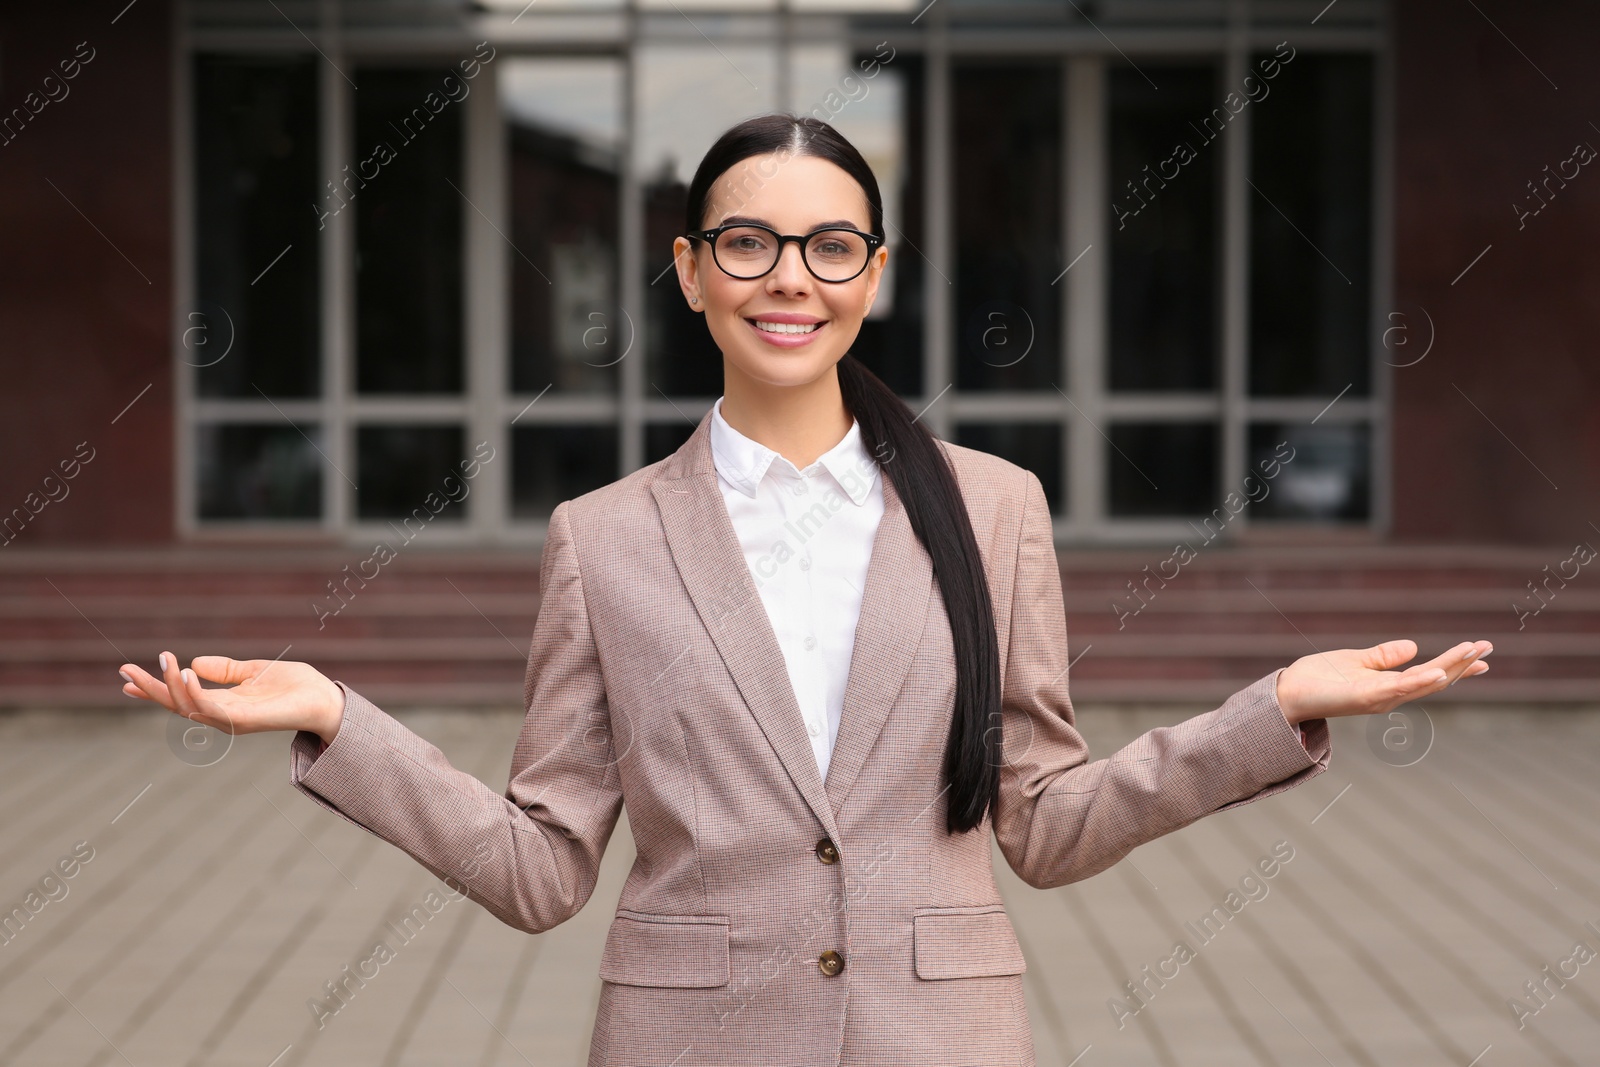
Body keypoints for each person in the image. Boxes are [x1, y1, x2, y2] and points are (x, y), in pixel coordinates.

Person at [118, 114, 1492, 1066]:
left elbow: (1051, 826)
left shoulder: (993, 507)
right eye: (750, 244)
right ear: (691, 272)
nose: (793, 278)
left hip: (940, 1039)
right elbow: (541, 867)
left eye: (833, 245)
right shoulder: (602, 541)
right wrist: (336, 719)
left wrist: (1271, 709)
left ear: (875, 275)